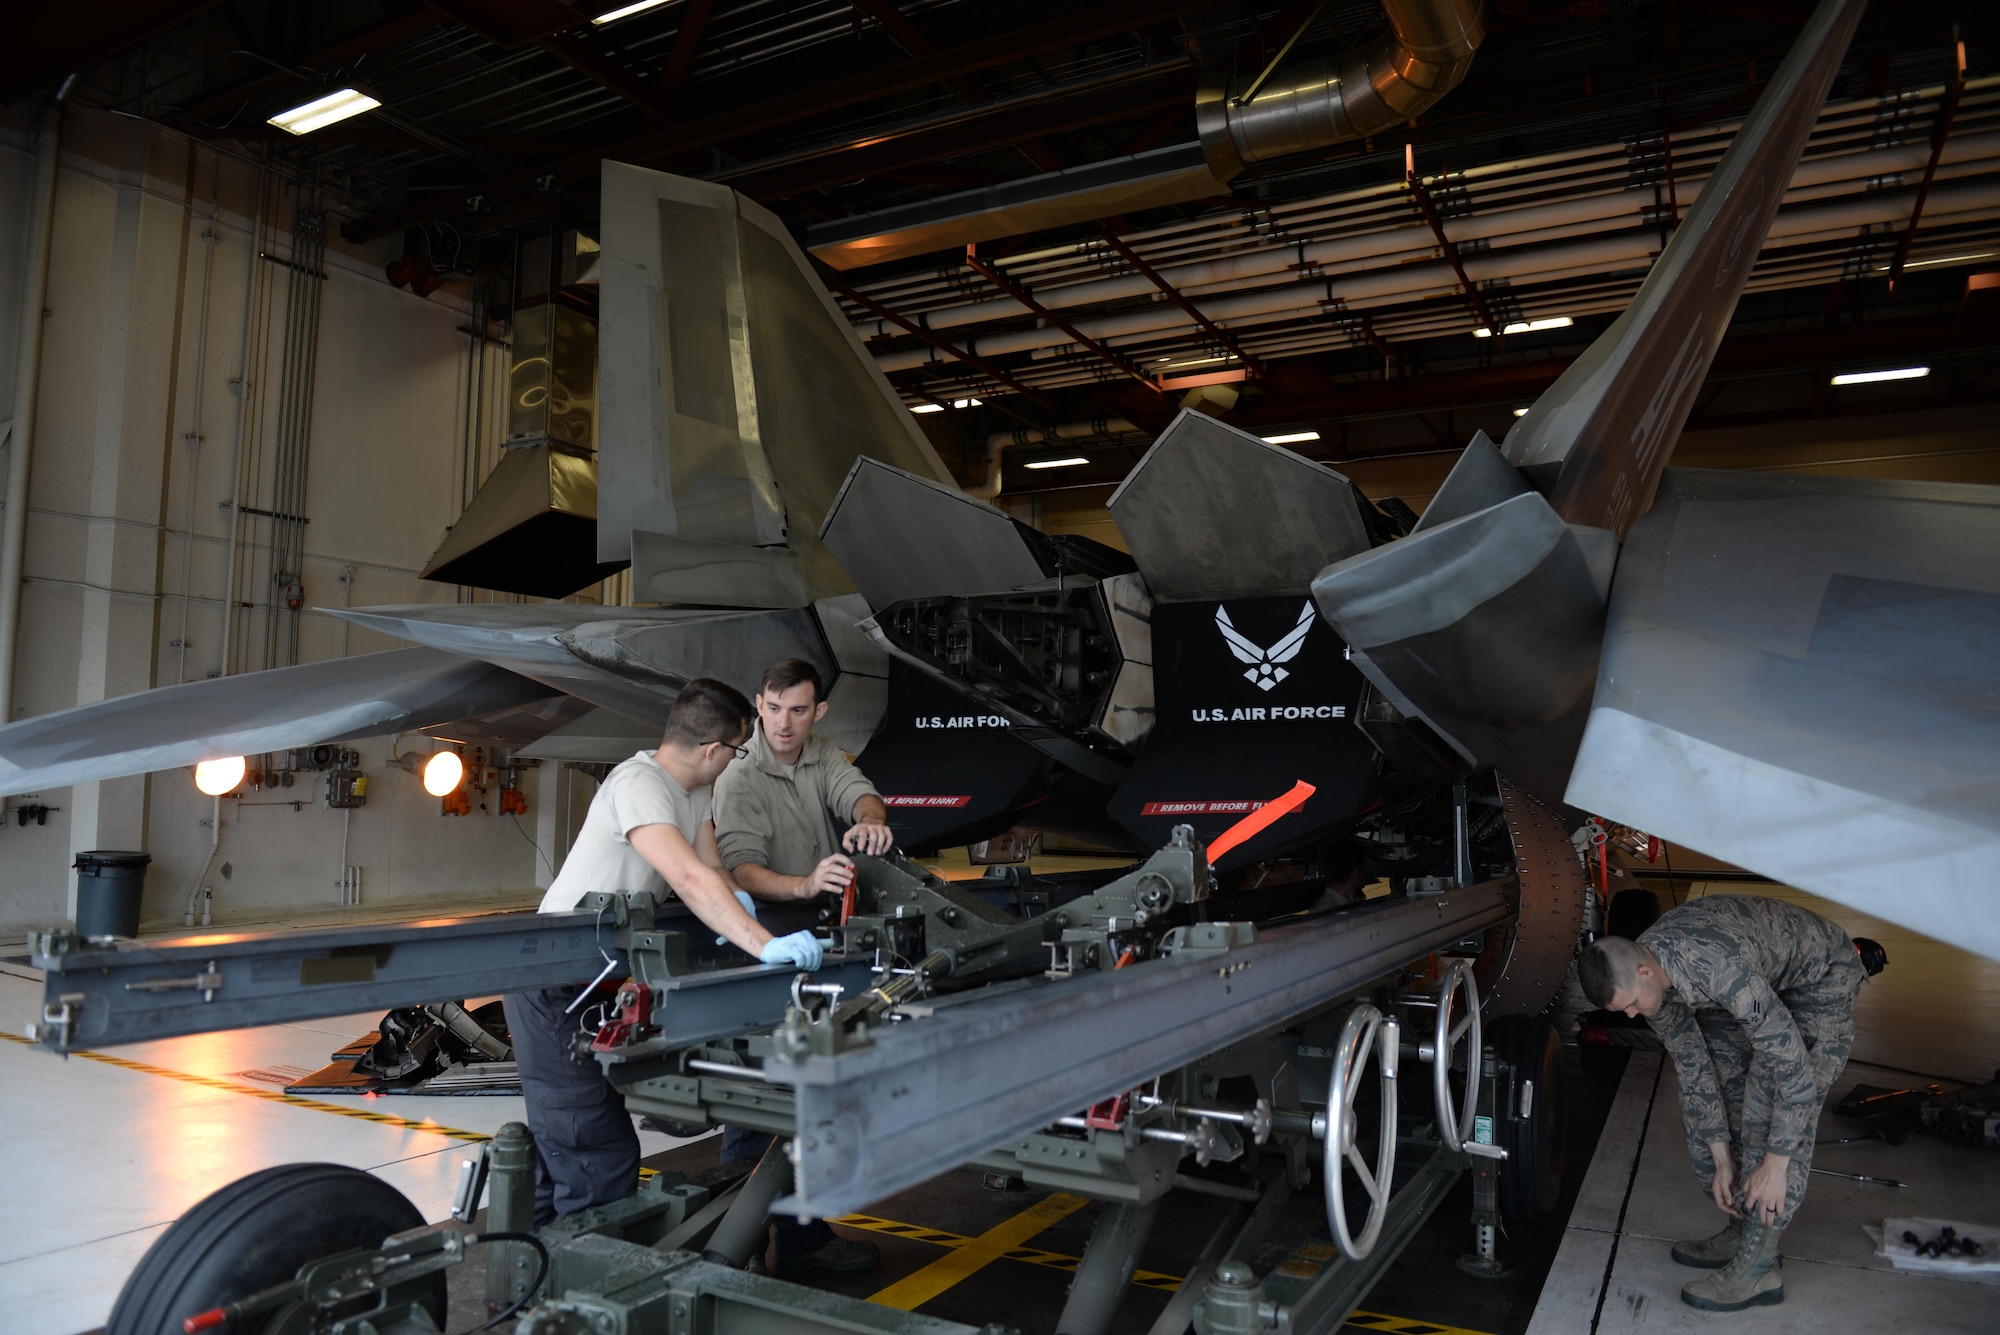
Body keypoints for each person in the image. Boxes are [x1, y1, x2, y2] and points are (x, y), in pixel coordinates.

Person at [507, 678, 822, 1228]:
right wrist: (765, 945)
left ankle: (533, 1261)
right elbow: (686, 876)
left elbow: (712, 870)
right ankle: (570, 1280)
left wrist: (741, 915)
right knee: (592, 1148)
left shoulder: (694, 790)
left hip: (601, 975)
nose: (734, 761)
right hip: (554, 980)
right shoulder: (639, 784)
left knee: (568, 1136)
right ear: (713, 750)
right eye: (738, 749)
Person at [1576, 894, 1868, 1313]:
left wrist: (1776, 1163)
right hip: (1756, 974)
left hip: (1819, 979)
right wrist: (1722, 1160)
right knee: (1723, 1075)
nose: (1634, 1016)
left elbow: (1794, 1072)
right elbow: (1695, 1069)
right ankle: (1742, 1223)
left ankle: (1760, 1267)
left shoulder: (1719, 970)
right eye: (1624, 1011)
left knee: (1771, 1097)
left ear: (1645, 971)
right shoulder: (1650, 979)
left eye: (1633, 1004)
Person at [710, 658, 892, 1274]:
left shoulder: (821, 754)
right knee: (760, 1092)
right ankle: (735, 1244)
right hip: (763, 936)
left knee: (808, 1091)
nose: (784, 723)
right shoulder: (739, 776)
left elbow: (858, 792)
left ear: (817, 713)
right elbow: (741, 869)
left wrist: (871, 822)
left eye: (797, 710)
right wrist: (807, 880)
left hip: (816, 936)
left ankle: (802, 1243)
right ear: (759, 704)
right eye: (774, 708)